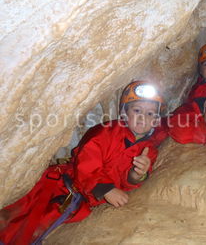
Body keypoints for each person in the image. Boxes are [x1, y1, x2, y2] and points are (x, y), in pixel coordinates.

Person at [0, 81, 164, 244]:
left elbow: (127, 181)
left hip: (81, 203)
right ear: (124, 112)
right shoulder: (106, 132)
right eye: (137, 110)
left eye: (150, 113)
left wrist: (136, 175)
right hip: (62, 187)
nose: (143, 117)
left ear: (156, 120)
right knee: (17, 222)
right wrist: (105, 189)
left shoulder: (149, 150)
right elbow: (86, 162)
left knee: (38, 232)